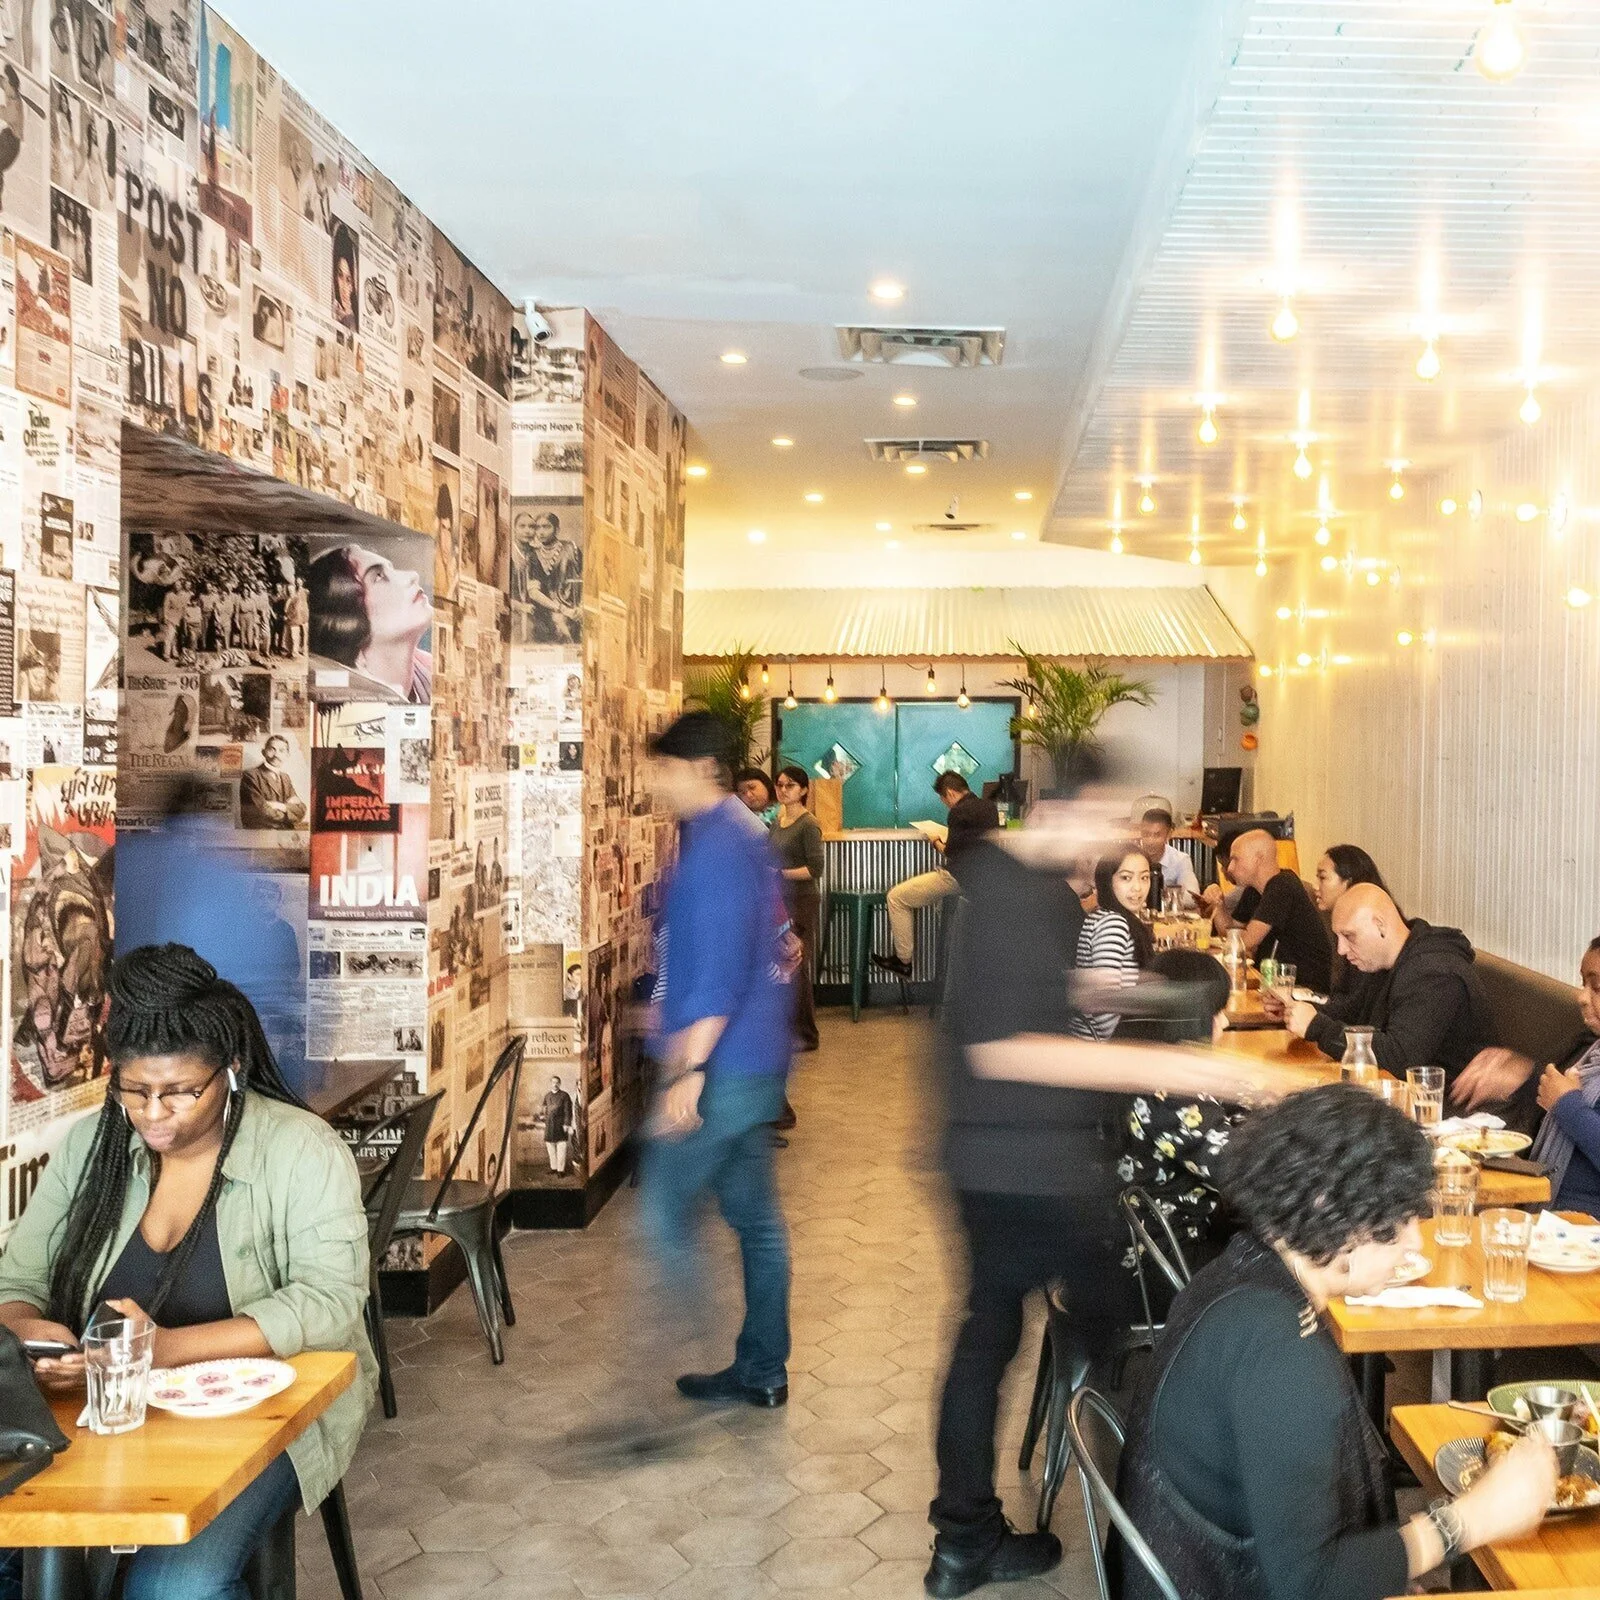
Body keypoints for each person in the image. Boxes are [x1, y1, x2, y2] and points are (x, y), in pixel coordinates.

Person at [926, 775, 1324, 1598]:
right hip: (1018, 1170)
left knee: (1018, 1340)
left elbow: (1048, 995)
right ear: (1059, 810)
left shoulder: (1027, 889)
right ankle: (1141, 1518)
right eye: (1101, 817)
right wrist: (1189, 1068)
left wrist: (1155, 992)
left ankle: (1007, 1526)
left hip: (1008, 1160)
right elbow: (1010, 1048)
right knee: (1096, 1337)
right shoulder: (1013, 897)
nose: (1111, 839)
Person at [0, 945, 376, 1600]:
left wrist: (165, 1349)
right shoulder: (92, 1148)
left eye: (179, 1092)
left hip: (268, 1416)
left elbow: (330, 1302)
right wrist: (36, 1338)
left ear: (229, 1069)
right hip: (102, 1420)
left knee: (174, 1590)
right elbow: (16, 1285)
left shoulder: (300, 1150)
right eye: (134, 1090)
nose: (153, 1113)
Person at [1115, 1084, 1556, 1600]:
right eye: (1396, 1223)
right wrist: (1472, 1519)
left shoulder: (1239, 1270)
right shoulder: (1284, 1356)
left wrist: (1389, 1562)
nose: (1414, 1240)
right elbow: (1311, 1584)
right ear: (1330, 1210)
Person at [642, 712, 793, 1409]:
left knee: (663, 1216)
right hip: (752, 1061)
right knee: (756, 1222)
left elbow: (721, 973)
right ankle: (760, 1369)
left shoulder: (718, 846)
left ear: (701, 769)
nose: (656, 781)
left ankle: (642, 1402)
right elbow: (769, 943)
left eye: (665, 768)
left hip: (724, 1073)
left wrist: (689, 1069)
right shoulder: (738, 833)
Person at [1278, 884, 1496, 1078]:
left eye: (1349, 936)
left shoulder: (1435, 973)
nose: (1341, 949)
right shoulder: (1386, 961)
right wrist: (1294, 1009)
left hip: (1446, 1102)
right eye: (1338, 938)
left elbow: (1400, 1059)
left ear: (1380, 925)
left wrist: (1317, 1027)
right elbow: (1351, 1013)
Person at [1454, 936, 1600, 1214]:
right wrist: (1521, 1076)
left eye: (1597, 988)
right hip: (1547, 1207)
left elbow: (1567, 1102)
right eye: (1583, 984)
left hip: (1581, 1224)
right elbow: (1555, 1089)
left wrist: (1567, 1104)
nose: (1581, 997)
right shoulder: (1591, 1048)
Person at [1117, 950, 1242, 1274]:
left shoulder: (1138, 1059)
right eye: (1218, 1011)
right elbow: (1244, 1171)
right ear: (1191, 1015)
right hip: (1167, 1260)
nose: (1225, 1022)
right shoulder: (1171, 1093)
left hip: (1141, 1245)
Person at [876, 772, 999, 978]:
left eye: (944, 800)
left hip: (959, 877)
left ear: (950, 793)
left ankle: (903, 961)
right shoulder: (989, 807)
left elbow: (950, 852)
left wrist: (935, 841)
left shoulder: (958, 812)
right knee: (937, 903)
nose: (946, 805)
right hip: (984, 879)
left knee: (896, 897)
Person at [1204, 827, 1332, 994]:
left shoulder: (1282, 886)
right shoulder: (1253, 890)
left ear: (1258, 858)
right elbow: (1230, 936)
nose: (1229, 868)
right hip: (1272, 983)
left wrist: (1243, 945)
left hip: (1304, 989)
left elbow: (1246, 942)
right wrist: (1218, 903)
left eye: (1235, 859)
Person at [308, 543, 432, 703]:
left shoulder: (429, 675)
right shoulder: (347, 708)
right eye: (378, 576)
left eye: (391, 569)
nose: (413, 575)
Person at [1072, 848, 1155, 1040]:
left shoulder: (1103, 916)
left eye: (1144, 878)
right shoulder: (1113, 924)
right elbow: (1105, 1009)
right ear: (1107, 881)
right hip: (1102, 1048)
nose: (1138, 888)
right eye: (1126, 878)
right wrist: (1136, 1046)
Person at [771, 765, 824, 1053]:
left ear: (803, 790)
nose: (783, 790)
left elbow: (815, 869)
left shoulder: (808, 824)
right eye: (779, 784)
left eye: (790, 785)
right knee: (782, 965)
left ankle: (806, 1033)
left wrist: (780, 873)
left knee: (796, 964)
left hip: (801, 900)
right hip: (779, 900)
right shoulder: (777, 821)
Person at [1313, 844, 1390, 996]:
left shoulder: (1369, 933)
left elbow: (1355, 1003)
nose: (1316, 887)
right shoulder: (1332, 922)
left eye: (1322, 878)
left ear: (1349, 882)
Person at [1136, 807, 1199, 908]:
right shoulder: (1131, 858)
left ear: (1169, 835)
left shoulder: (1180, 860)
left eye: (1157, 835)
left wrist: (1159, 894)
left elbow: (1192, 898)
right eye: (1146, 834)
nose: (1150, 841)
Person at [239, 735, 307, 829]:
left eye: (281, 751)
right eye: (272, 749)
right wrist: (290, 813)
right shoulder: (250, 775)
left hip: (286, 832)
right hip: (262, 833)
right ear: (263, 752)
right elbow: (261, 811)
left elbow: (302, 810)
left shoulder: (285, 778)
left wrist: (281, 806)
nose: (276, 755)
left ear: (287, 755)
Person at [543, 1074, 575, 1174]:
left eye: (557, 1083)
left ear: (560, 1084)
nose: (555, 1084)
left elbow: (568, 1111)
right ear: (550, 1084)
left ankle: (561, 1170)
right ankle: (554, 1168)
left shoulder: (564, 1096)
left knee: (561, 1147)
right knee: (550, 1148)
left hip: (561, 1125)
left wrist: (566, 1124)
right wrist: (545, 1119)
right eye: (553, 1082)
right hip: (549, 1126)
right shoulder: (547, 1096)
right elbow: (544, 1109)